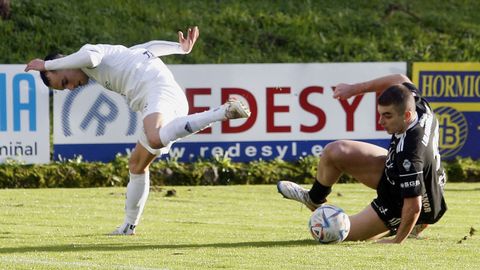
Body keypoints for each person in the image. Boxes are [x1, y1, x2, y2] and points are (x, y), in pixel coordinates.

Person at [25, 26, 251, 235]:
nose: (71, 88)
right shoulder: (109, 58)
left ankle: (222, 112)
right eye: (65, 88)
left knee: (154, 138)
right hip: (156, 100)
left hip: (158, 92)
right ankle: (128, 226)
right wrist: (178, 49)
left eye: (64, 81)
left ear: (63, 62)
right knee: (137, 165)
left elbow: (89, 57)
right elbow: (146, 49)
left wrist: (46, 65)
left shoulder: (89, 54)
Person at [277, 74, 447, 244]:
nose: (381, 121)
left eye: (387, 116)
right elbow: (399, 78)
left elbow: (414, 204)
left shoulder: (411, 152)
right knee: (334, 152)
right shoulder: (417, 103)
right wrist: (355, 89)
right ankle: (314, 198)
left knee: (334, 232)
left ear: (408, 115)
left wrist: (397, 241)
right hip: (398, 171)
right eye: (380, 114)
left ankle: (406, 225)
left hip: (406, 202)